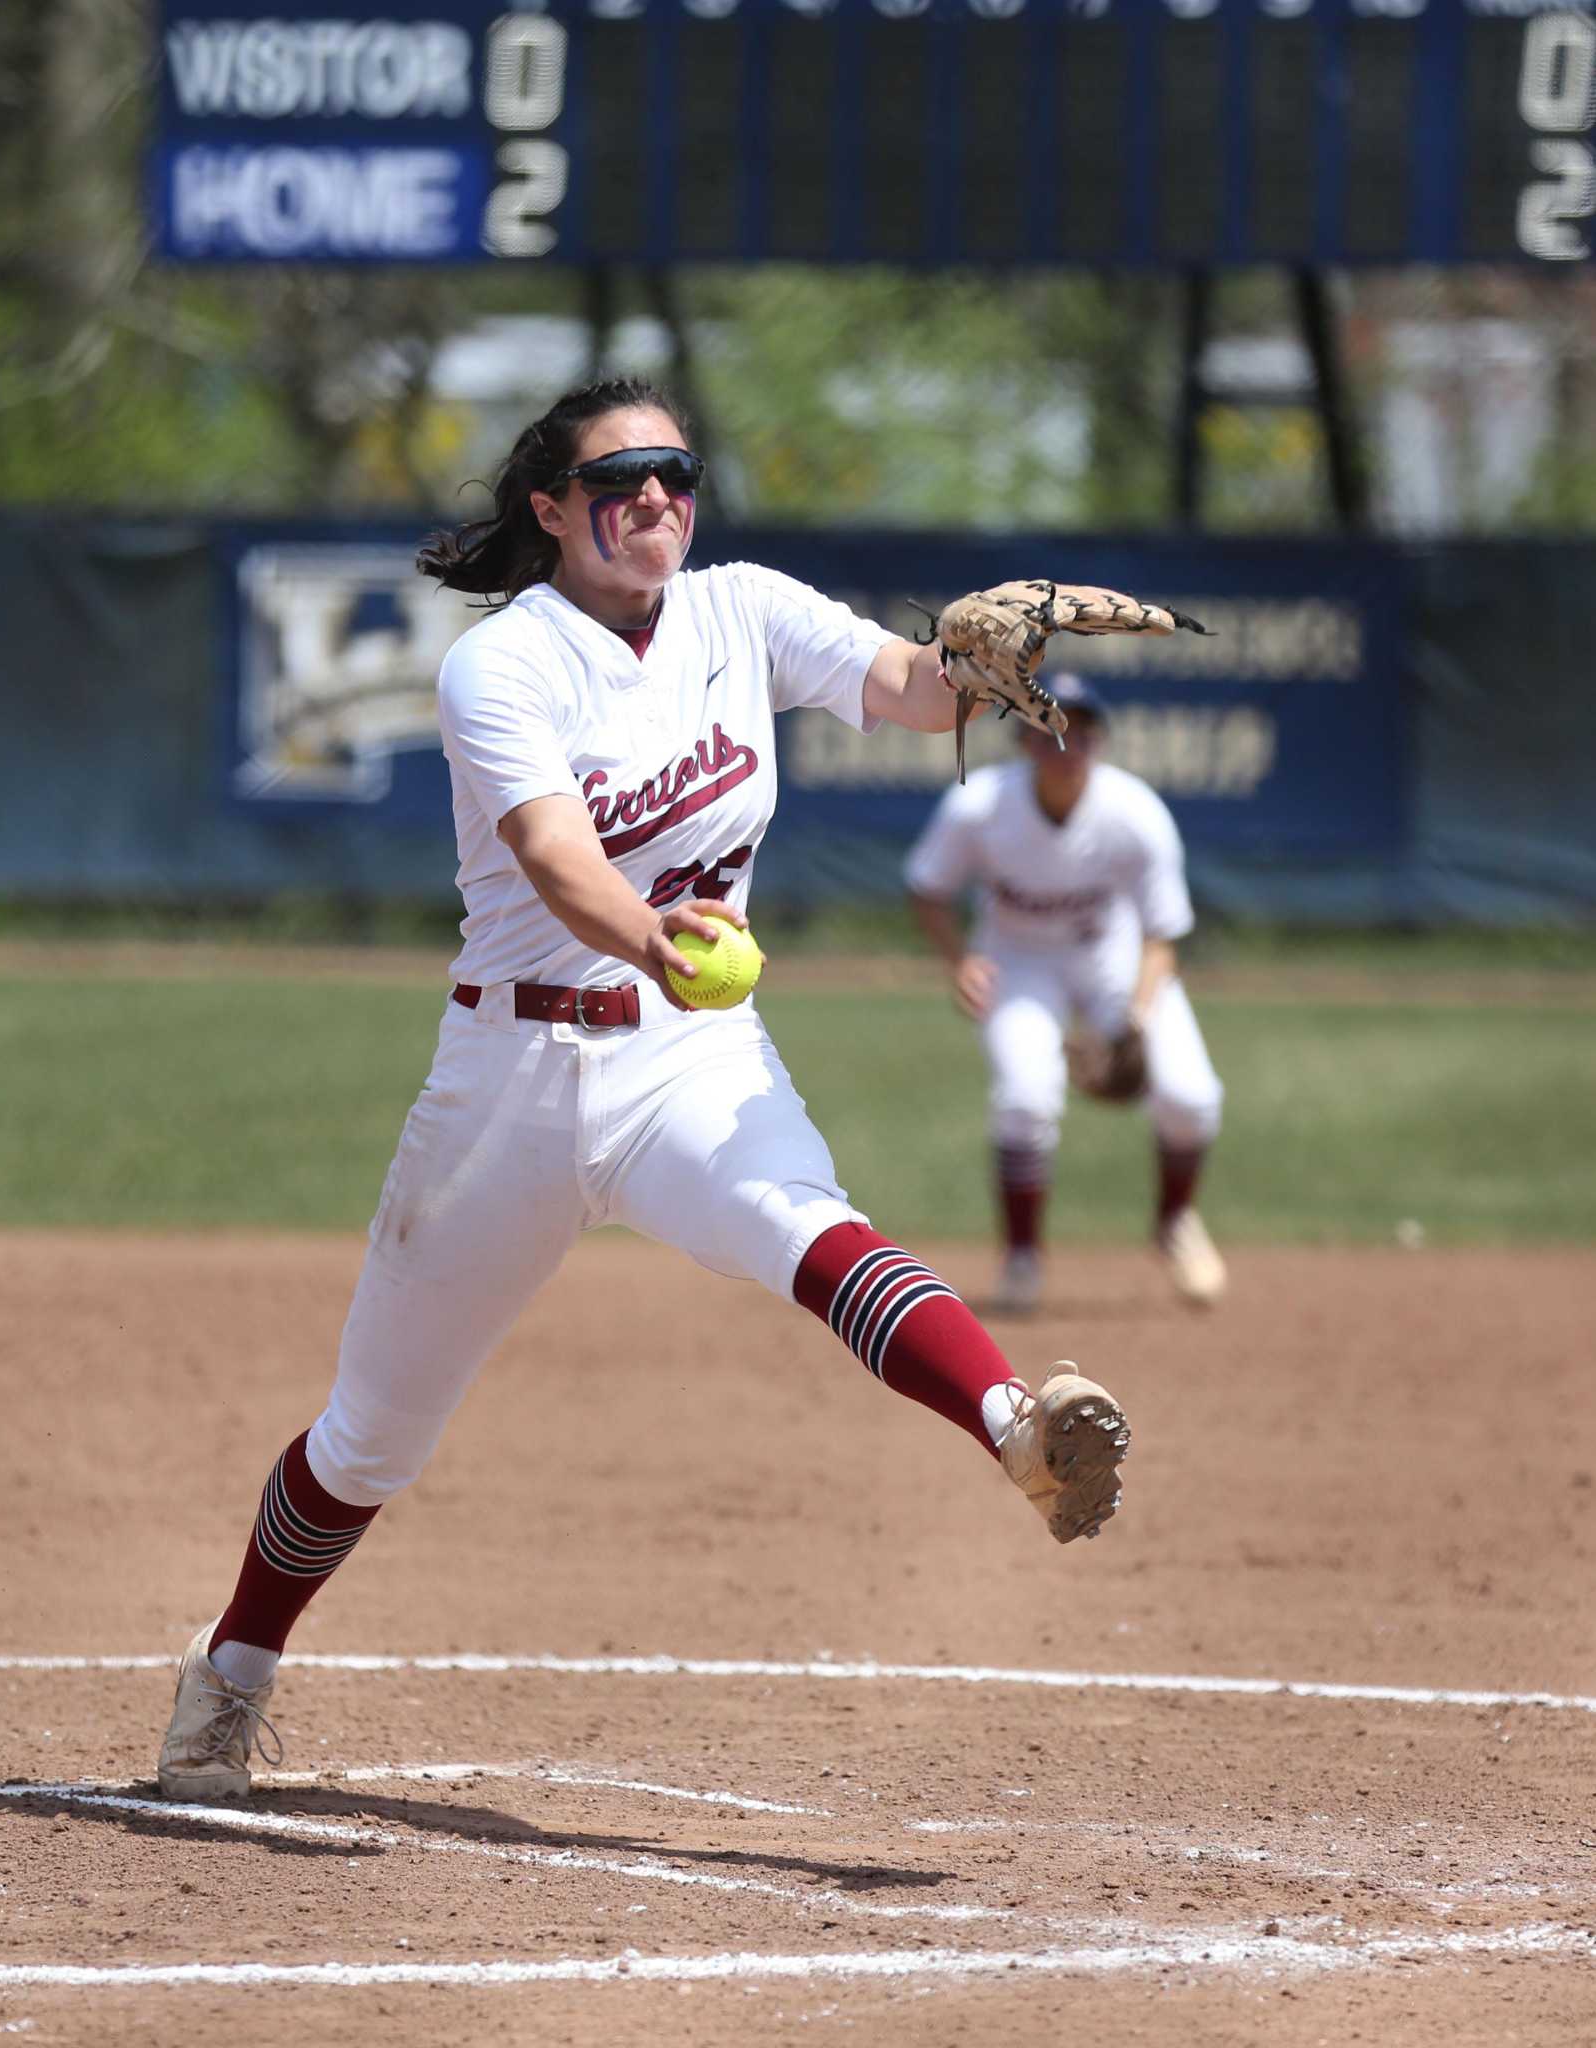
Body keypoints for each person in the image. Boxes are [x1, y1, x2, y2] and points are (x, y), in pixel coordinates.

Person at [157, 379, 1132, 1801]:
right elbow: (557, 861)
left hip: (684, 1059)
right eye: (621, 481)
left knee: (808, 1224)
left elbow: (912, 698)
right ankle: (232, 1668)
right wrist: (655, 938)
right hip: (513, 1077)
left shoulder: (741, 610)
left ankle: (1016, 1432)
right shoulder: (504, 667)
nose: (657, 499)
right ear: (549, 511)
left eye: (676, 472)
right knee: (371, 1438)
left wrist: (972, 657)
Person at [902, 672, 1227, 1317]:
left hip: (1113, 957)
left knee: (1191, 1096)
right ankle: (1022, 1257)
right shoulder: (980, 805)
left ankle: (1175, 1223)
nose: (1065, 741)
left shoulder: (1135, 813)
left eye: (1080, 730)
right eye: (1049, 727)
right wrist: (958, 960)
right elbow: (926, 886)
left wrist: (1133, 1020)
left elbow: (1163, 934)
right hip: (1017, 959)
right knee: (1025, 1096)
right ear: (1023, 739)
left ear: (1099, 742)